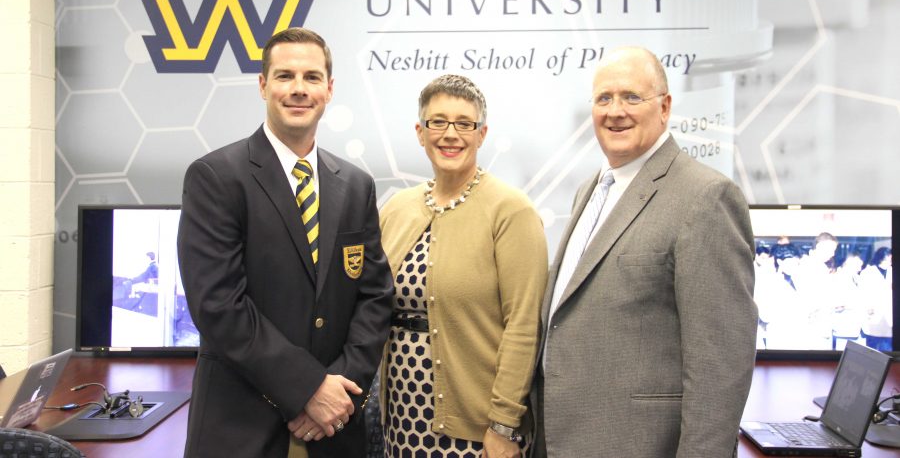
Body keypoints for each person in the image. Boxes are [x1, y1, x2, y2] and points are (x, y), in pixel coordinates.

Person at [177, 27, 393, 458]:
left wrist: (337, 393)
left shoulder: (355, 185)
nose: (299, 89)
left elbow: (375, 296)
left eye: (312, 77)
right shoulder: (216, 177)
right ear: (263, 85)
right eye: (284, 76)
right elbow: (219, 305)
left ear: (329, 90)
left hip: (333, 431)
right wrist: (308, 388)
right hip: (241, 428)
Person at [533, 46, 757, 457]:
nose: (615, 111)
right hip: (563, 441)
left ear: (666, 107)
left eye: (631, 97)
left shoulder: (705, 197)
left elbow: (720, 365)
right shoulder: (592, 190)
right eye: (604, 98)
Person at [378, 74, 548, 458]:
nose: (450, 134)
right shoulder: (396, 209)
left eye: (464, 124)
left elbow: (524, 326)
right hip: (402, 417)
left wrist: (504, 424)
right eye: (437, 122)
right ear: (420, 132)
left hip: (480, 428)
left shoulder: (511, 210)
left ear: (482, 134)